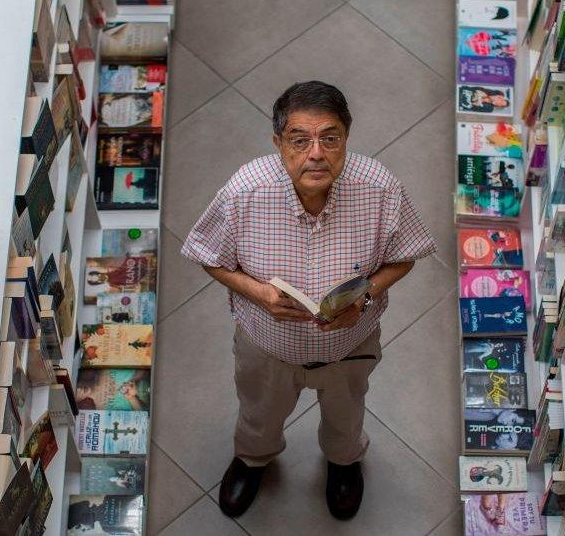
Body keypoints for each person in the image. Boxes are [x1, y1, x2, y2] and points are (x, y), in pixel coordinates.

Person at [182, 81, 436, 520]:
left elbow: (405, 257)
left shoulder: (381, 188)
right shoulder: (243, 192)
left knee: (346, 417)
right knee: (258, 413)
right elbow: (209, 257)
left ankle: (343, 464)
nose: (316, 153)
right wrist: (258, 293)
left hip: (349, 346)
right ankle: (253, 459)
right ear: (279, 143)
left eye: (330, 138)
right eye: (300, 140)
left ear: (346, 139)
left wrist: (368, 293)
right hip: (266, 347)